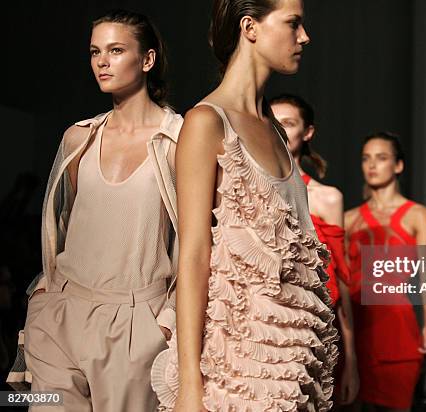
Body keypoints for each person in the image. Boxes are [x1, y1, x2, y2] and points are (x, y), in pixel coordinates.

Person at [150, 1, 338, 411]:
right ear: (249, 27)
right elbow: (194, 255)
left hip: (294, 357)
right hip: (236, 363)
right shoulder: (207, 122)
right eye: (293, 23)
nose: (304, 37)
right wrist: (189, 386)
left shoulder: (273, 127)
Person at [21, 9, 182, 411]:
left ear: (147, 60)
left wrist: (168, 318)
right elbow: (63, 221)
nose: (102, 62)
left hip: (136, 324)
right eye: (95, 51)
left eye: (115, 50)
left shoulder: (177, 139)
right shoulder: (79, 137)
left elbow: (196, 239)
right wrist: (44, 294)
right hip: (59, 317)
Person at [270, 94, 359, 406]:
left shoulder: (327, 198)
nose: (280, 130)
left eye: (289, 123)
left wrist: (352, 360)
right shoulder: (249, 187)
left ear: (307, 132)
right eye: (273, 122)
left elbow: (341, 280)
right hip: (268, 324)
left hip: (318, 328)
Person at [344, 132, 426, 412]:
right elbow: (344, 278)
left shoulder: (417, 214)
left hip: (397, 326)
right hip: (356, 325)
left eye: (381, 158)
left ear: (398, 165)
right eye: (366, 159)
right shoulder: (349, 218)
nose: (372, 165)